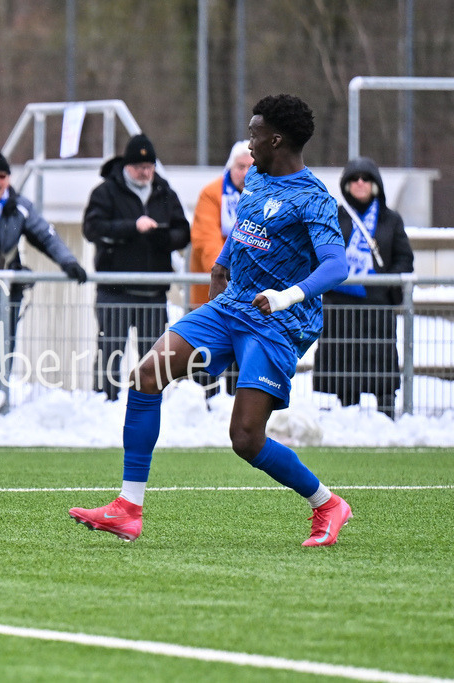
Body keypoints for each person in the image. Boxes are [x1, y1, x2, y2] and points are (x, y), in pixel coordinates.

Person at [69, 94, 353, 547]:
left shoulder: (314, 199)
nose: (248, 140)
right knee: (147, 375)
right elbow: (245, 231)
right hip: (230, 306)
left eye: (255, 132)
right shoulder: (257, 177)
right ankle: (127, 508)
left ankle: (327, 503)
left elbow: (337, 267)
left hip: (278, 323)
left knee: (244, 438)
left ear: (276, 139)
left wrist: (286, 297)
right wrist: (221, 264)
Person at [0, 142, 88, 392]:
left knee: (3, 353)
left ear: (9, 179)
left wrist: (68, 261)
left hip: (5, 292)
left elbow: (46, 235)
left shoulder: (20, 206)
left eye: (2, 176)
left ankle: (0, 403)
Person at [82, 133, 191, 402]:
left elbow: (183, 232)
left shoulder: (164, 192)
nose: (145, 173)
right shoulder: (105, 192)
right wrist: (132, 227)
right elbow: (92, 229)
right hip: (114, 289)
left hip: (153, 291)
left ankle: (151, 402)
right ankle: (104, 400)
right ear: (126, 166)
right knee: (111, 350)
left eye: (149, 167)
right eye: (139, 168)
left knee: (153, 355)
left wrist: (161, 236)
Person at [313, 157, 414, 418]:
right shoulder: (335, 216)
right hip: (340, 305)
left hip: (377, 306)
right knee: (343, 362)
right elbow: (320, 252)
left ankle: (387, 413)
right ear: (346, 184)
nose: (360, 183)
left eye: (365, 178)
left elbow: (404, 257)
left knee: (380, 361)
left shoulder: (390, 220)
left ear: (375, 184)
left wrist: (388, 285)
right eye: (354, 178)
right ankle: (348, 414)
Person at [188, 141, 254, 397]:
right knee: (207, 355)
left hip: (249, 296)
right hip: (212, 292)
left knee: (244, 360)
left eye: (251, 166)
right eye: (240, 166)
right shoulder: (211, 194)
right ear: (230, 167)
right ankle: (205, 404)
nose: (246, 172)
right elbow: (206, 241)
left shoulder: (263, 195)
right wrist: (226, 272)